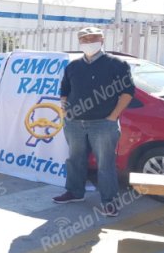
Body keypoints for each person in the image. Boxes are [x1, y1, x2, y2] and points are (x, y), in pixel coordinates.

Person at [53, 27, 135, 216]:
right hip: (74, 124)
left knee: (105, 164)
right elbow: (64, 90)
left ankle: (109, 201)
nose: (89, 41)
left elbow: (128, 93)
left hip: (103, 124)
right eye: (84, 38)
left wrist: (112, 117)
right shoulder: (73, 67)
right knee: (75, 160)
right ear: (79, 42)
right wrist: (64, 110)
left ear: (102, 40)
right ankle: (74, 192)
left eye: (93, 38)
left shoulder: (117, 64)